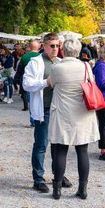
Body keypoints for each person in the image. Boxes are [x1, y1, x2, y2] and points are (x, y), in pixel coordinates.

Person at [46, 39, 100, 200]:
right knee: (82, 151)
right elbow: (92, 83)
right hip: (82, 112)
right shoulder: (85, 66)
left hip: (62, 112)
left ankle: (57, 190)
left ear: (64, 50)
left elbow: (50, 83)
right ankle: (82, 189)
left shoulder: (57, 67)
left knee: (61, 150)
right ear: (78, 51)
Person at [23, 32, 72, 193]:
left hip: (59, 110)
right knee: (41, 144)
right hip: (43, 109)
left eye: (58, 46)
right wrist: (46, 82)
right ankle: (38, 178)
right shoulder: (35, 62)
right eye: (52, 46)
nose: (55, 49)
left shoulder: (61, 62)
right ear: (44, 46)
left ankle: (58, 175)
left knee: (58, 145)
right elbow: (27, 84)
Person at [14, 41, 41, 111]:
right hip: (38, 78)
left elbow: (19, 70)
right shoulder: (41, 56)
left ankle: (26, 106)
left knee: (24, 93)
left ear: (30, 47)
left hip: (26, 77)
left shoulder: (24, 57)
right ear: (39, 47)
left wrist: (16, 79)